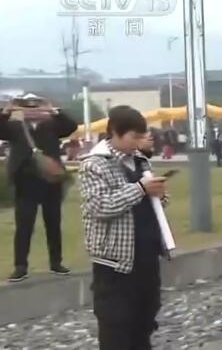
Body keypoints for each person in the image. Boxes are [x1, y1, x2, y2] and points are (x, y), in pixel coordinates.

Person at [80, 105, 168, 350]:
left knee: (144, 320)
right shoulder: (94, 165)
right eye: (134, 137)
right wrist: (140, 189)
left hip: (146, 255)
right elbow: (99, 206)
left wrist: (159, 195)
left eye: (142, 137)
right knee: (116, 326)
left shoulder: (140, 161)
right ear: (115, 132)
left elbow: (151, 201)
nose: (138, 142)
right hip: (115, 262)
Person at [0, 97, 78, 282]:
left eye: (36, 107)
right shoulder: (15, 127)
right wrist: (6, 111)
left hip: (50, 181)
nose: (32, 110)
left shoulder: (52, 126)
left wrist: (52, 110)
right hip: (25, 182)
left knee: (53, 223)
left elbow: (71, 126)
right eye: (28, 107)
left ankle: (56, 262)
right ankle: (20, 266)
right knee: (24, 225)